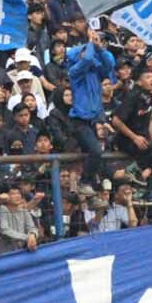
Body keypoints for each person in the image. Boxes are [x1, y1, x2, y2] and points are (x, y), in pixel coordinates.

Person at [67, 30, 115, 187]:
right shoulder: (74, 71)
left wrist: (100, 48)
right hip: (79, 121)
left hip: (92, 121)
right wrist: (90, 42)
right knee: (95, 151)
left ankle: (94, 185)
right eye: (84, 51)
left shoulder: (95, 72)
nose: (88, 53)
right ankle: (84, 182)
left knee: (95, 153)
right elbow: (87, 58)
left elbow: (110, 64)